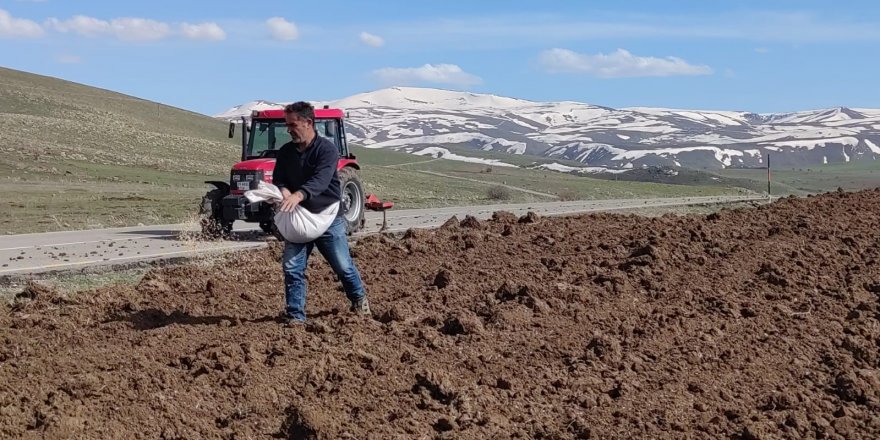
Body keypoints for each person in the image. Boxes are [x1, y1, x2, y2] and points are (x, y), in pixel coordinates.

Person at [272, 101, 370, 325]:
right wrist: (285, 192)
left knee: (343, 266)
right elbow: (279, 179)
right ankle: (296, 315)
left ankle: (359, 299)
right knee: (292, 267)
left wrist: (298, 195)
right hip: (298, 218)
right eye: (287, 125)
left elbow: (321, 180)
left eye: (293, 124)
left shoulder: (326, 150)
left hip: (327, 216)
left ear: (308, 122)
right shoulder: (286, 152)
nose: (289, 129)